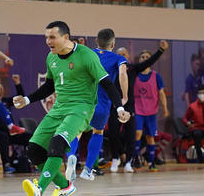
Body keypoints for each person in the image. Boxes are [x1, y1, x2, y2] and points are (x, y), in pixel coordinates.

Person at [13, 21, 129, 196]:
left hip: (81, 108)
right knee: (34, 151)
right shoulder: (51, 57)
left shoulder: (87, 55)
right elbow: (49, 86)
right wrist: (27, 99)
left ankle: (39, 188)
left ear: (65, 37)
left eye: (52, 37)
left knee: (57, 144)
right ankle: (66, 187)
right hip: (59, 109)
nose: (48, 41)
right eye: (46, 37)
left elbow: (107, 83)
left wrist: (119, 108)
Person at [65, 28, 128, 181]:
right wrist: (124, 97)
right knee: (97, 132)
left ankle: (71, 160)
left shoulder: (87, 53)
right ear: (112, 44)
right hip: (103, 103)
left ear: (96, 42)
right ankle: (87, 169)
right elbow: (122, 74)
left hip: (83, 101)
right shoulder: (118, 58)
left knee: (76, 132)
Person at [109, 41, 168, 173]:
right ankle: (115, 158)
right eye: (119, 54)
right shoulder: (112, 68)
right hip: (115, 104)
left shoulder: (133, 68)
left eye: (124, 54)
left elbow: (148, 62)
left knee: (131, 134)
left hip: (129, 106)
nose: (122, 56)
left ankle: (129, 162)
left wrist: (161, 50)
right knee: (113, 133)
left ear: (128, 56)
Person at [0, 71, 32, 174]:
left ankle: (31, 162)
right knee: (3, 136)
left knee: (28, 137)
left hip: (9, 133)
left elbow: (20, 97)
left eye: (1, 89)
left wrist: (17, 83)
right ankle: (6, 165)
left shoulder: (6, 101)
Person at [133, 49, 169, 172]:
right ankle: (136, 159)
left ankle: (151, 161)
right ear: (139, 60)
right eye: (142, 57)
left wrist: (165, 108)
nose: (145, 58)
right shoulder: (135, 74)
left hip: (151, 111)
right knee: (137, 133)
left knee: (150, 137)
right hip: (137, 110)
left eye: (147, 56)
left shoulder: (156, 76)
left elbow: (161, 93)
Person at [182, 85, 204, 163]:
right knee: (197, 134)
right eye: (200, 93)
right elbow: (184, 118)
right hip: (197, 129)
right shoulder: (192, 106)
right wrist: (187, 123)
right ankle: (201, 158)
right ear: (197, 95)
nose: (202, 95)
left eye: (203, 93)